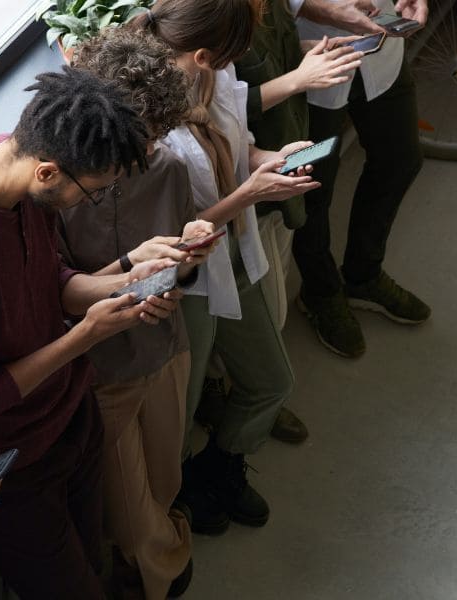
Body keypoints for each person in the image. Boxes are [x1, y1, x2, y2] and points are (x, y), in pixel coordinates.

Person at [0, 66, 182, 599]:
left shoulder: (10, 164)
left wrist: (123, 277)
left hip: (71, 415)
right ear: (48, 173)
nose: (88, 203)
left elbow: (46, 278)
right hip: (13, 470)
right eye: (91, 194)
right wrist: (84, 337)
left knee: (93, 557)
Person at [133, 0, 320, 532]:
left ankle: (219, 465)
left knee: (272, 381)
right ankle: (180, 494)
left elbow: (242, 143)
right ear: (199, 54)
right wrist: (248, 195)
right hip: (187, 282)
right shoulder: (148, 120)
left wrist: (270, 160)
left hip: (235, 253)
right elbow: (171, 237)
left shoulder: (215, 73)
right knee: (181, 410)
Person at [63, 28, 215, 599]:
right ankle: (163, 568)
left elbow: (178, 264)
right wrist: (125, 276)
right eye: (144, 135)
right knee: (126, 509)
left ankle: (157, 561)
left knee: (166, 477)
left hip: (165, 347)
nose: (152, 146)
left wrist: (189, 259)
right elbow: (54, 293)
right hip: (101, 371)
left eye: (160, 133)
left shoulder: (168, 169)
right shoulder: (63, 189)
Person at [197, 0, 365, 444]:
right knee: (259, 306)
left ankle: (251, 392)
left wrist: (312, 54)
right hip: (239, 204)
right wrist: (298, 79)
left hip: (263, 168)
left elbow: (235, 103)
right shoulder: (207, 28)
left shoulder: (253, 19)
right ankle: (237, 395)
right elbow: (232, 102)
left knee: (273, 292)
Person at [291, 0, 431, 357]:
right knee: (312, 185)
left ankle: (362, 276)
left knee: (401, 159)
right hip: (311, 63)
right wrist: (313, 7)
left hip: (383, 48)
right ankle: (320, 291)